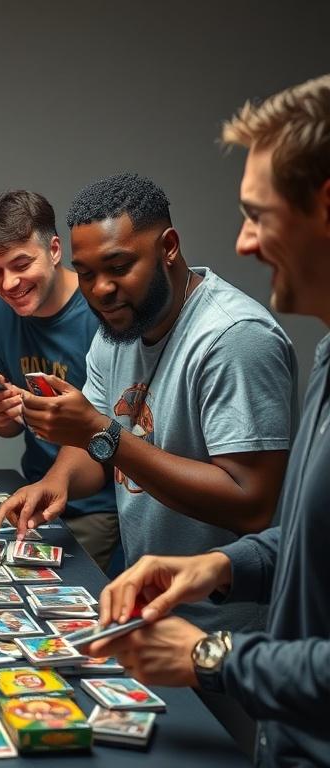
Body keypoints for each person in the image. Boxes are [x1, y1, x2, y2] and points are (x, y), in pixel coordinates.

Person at [89, 75, 330, 768]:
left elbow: (252, 501)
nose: (244, 243)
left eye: (258, 214)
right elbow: (308, 542)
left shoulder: (238, 335)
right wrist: (219, 565)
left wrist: (211, 653)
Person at [0, 172, 295, 634]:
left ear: (168, 247)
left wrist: (100, 433)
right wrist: (57, 481)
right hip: (149, 608)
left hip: (225, 627)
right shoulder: (118, 332)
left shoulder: (234, 338)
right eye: (88, 273)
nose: (100, 290)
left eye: (119, 267)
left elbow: (248, 503)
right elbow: (91, 448)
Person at [0, 190, 120, 571]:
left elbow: (118, 435)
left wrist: (47, 418)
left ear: (54, 250)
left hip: (99, 507)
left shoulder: (103, 313)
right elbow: (5, 429)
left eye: (21, 264)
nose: (8, 283)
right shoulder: (1, 313)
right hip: (32, 495)